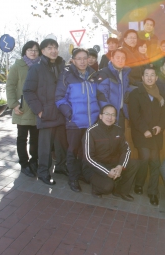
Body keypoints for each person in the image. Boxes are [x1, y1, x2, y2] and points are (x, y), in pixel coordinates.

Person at [23, 38, 67, 186]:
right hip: (46, 113)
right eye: (49, 48)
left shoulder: (63, 66)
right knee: (45, 147)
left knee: (62, 144)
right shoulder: (36, 68)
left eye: (55, 47)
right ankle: (43, 172)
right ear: (42, 51)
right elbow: (28, 91)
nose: (53, 50)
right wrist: (39, 111)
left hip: (62, 112)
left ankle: (61, 167)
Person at [55, 48, 100, 192]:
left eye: (84, 58)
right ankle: (72, 179)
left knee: (85, 151)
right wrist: (70, 114)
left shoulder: (94, 75)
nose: (82, 61)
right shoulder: (67, 75)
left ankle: (81, 174)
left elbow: (99, 96)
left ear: (89, 59)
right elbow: (59, 98)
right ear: (73, 60)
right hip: (74, 122)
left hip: (91, 122)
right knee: (73, 151)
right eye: (78, 58)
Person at [128, 67, 165, 206]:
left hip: (156, 133)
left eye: (152, 75)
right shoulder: (135, 93)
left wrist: (160, 127)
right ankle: (139, 183)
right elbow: (134, 115)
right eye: (147, 75)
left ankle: (153, 192)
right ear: (142, 78)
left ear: (156, 78)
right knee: (144, 157)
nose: (150, 77)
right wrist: (144, 130)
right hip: (141, 132)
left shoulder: (161, 94)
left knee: (155, 161)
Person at [82, 105, 139, 201]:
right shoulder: (91, 131)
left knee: (134, 164)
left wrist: (120, 166)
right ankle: (96, 189)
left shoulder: (118, 130)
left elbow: (126, 150)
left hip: (112, 163)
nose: (110, 117)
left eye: (113, 115)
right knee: (107, 187)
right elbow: (88, 158)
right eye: (107, 114)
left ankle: (121, 191)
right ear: (100, 116)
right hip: (94, 168)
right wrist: (107, 172)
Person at [6, 41, 41, 178]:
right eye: (30, 50)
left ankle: (34, 161)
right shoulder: (17, 66)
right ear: (25, 51)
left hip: (36, 108)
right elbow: (10, 86)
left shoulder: (41, 66)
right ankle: (24, 164)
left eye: (36, 50)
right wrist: (13, 104)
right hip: (22, 108)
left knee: (36, 138)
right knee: (22, 138)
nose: (33, 52)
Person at [96, 48, 131, 130]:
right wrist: (109, 114)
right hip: (108, 116)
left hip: (121, 113)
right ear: (112, 59)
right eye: (118, 58)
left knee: (120, 139)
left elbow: (126, 88)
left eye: (123, 58)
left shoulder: (125, 73)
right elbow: (102, 95)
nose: (120, 60)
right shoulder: (104, 73)